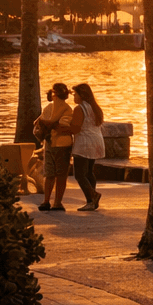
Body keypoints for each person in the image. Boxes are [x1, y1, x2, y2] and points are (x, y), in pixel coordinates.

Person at [32, 83, 74, 212]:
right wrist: (52, 123)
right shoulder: (67, 108)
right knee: (60, 175)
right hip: (60, 144)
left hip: (52, 143)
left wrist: (47, 124)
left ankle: (47, 201)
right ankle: (56, 202)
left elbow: (40, 123)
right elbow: (61, 125)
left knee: (50, 174)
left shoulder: (50, 108)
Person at [68, 84, 106, 211]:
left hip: (84, 143)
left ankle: (92, 196)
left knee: (79, 174)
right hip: (96, 142)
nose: (73, 96)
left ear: (82, 95)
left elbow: (75, 129)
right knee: (89, 172)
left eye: (75, 94)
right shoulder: (95, 108)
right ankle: (92, 203)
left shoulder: (79, 108)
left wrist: (62, 126)